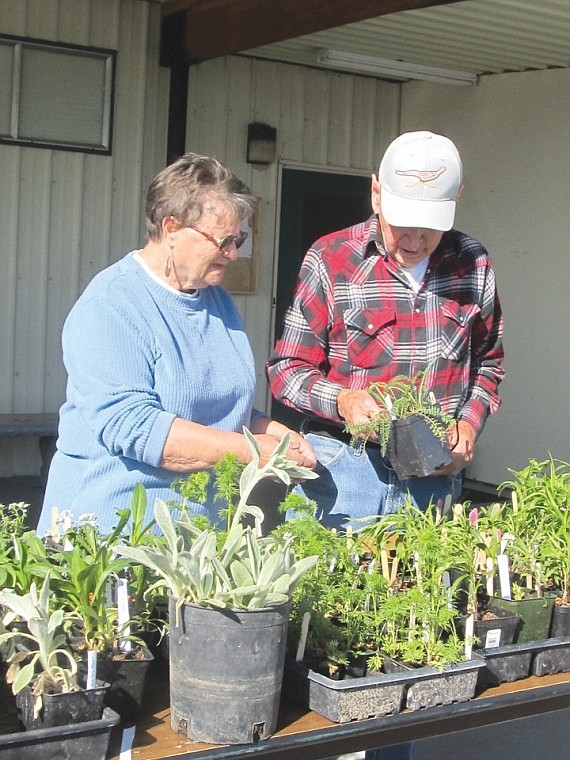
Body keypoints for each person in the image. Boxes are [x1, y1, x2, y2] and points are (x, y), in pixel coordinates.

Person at [267, 130, 505, 759]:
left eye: (428, 227)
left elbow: (491, 367)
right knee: (327, 653)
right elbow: (286, 369)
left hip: (431, 485)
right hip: (346, 479)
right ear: (375, 193)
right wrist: (340, 400)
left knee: (407, 654)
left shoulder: (472, 265)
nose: (413, 238)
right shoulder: (332, 258)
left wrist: (470, 425)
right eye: (401, 222)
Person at [37, 153, 316, 536]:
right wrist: (256, 451)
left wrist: (278, 435)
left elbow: (221, 410)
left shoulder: (214, 299)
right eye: (223, 240)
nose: (233, 253)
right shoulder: (111, 305)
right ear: (171, 227)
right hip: (114, 535)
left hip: (196, 539)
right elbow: (137, 428)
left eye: (239, 239)